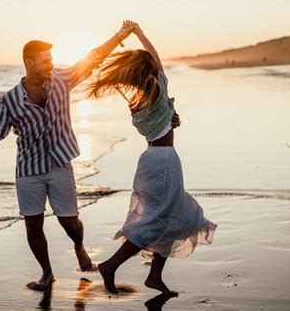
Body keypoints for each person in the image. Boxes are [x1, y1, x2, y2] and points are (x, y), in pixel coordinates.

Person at [0, 21, 136, 291]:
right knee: (33, 226)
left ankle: (79, 246)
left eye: (51, 59)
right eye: (45, 60)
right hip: (28, 170)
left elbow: (92, 58)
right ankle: (47, 274)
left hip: (60, 162)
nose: (51, 64)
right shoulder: (11, 101)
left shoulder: (62, 79)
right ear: (29, 63)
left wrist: (119, 36)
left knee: (69, 221)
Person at [86, 21, 217, 295]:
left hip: (151, 159)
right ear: (150, 71)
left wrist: (172, 119)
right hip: (165, 162)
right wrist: (140, 34)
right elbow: (155, 56)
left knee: (171, 216)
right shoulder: (157, 90)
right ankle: (111, 265)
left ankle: (154, 276)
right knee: (161, 219)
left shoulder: (139, 102)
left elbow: (161, 125)